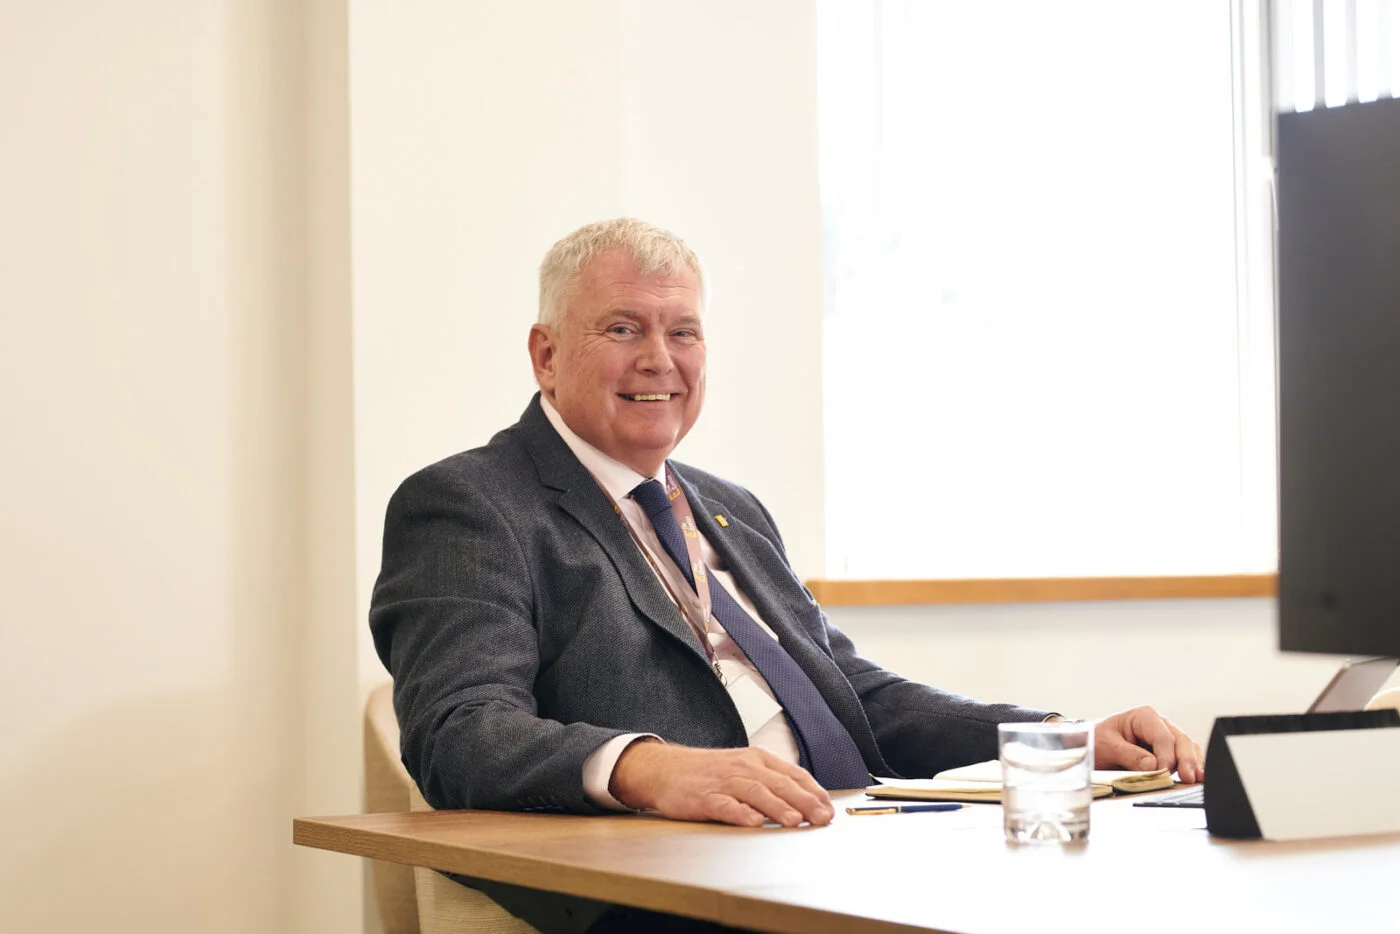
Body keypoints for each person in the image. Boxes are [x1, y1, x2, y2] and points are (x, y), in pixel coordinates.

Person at [370, 217, 1203, 930]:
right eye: (623, 328)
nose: (660, 358)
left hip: (855, 840)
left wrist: (1057, 740)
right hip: (684, 877)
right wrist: (654, 767)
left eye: (683, 332)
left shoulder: (730, 507)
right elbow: (460, 732)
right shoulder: (470, 505)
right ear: (545, 354)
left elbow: (850, 692)